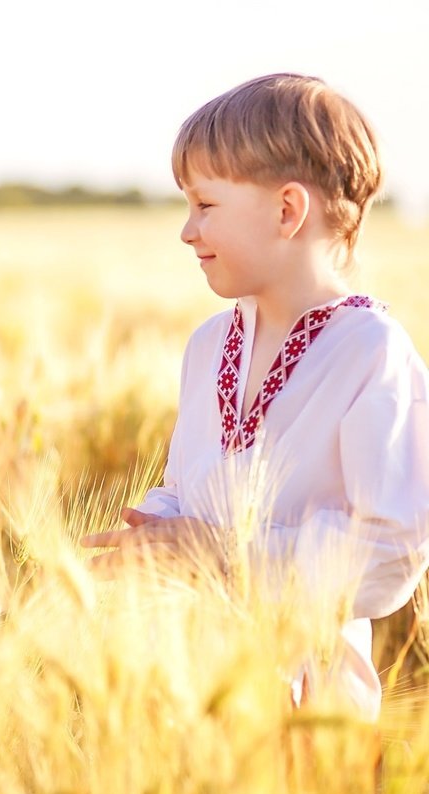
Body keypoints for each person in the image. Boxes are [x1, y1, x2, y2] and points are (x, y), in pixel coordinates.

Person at [81, 74, 429, 721]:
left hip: (310, 722)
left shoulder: (371, 353)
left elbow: (389, 551)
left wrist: (225, 554)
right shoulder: (209, 346)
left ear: (287, 211)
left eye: (205, 206)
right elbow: (192, 491)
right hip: (191, 700)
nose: (187, 230)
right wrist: (153, 535)